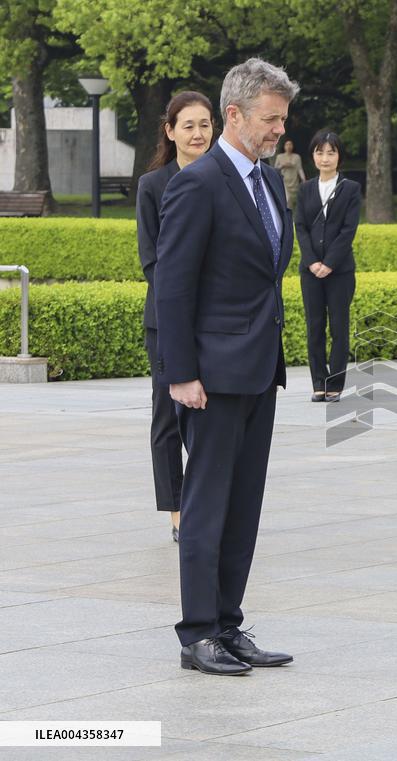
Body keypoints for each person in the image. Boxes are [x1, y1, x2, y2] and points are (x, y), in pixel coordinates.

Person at [154, 58, 299, 676]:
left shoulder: (266, 181)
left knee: (244, 506)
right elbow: (173, 286)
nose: (278, 131)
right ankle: (197, 635)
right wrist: (180, 374)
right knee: (208, 506)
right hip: (210, 376)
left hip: (260, 368)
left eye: (282, 119)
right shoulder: (199, 182)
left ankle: (229, 623)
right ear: (234, 115)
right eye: (270, 119)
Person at [136, 90, 213, 544]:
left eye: (205, 124)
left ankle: (206, 501)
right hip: (166, 321)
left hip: (216, 323)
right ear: (170, 131)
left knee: (210, 417)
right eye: (188, 125)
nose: (198, 133)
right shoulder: (153, 186)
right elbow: (153, 262)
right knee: (167, 414)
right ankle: (177, 510)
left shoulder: (223, 179)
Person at [294, 129, 361, 403]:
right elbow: (300, 226)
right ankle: (318, 383)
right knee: (314, 326)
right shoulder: (305, 189)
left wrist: (329, 263)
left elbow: (348, 230)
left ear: (339, 156)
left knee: (338, 327)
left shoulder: (350, 189)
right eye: (320, 152)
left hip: (340, 272)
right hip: (310, 272)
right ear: (313, 156)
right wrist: (311, 262)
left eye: (330, 152)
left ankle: (335, 384)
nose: (325, 157)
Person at [274, 139, 306, 208]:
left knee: (296, 203)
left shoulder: (297, 157)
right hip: (284, 183)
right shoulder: (279, 157)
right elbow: (275, 170)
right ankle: (287, 217)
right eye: (287, 145)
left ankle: (294, 217)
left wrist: (304, 180)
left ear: (293, 146)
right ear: (284, 146)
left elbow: (300, 169)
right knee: (288, 201)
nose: (289, 146)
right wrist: (282, 166)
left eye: (290, 144)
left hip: (294, 182)